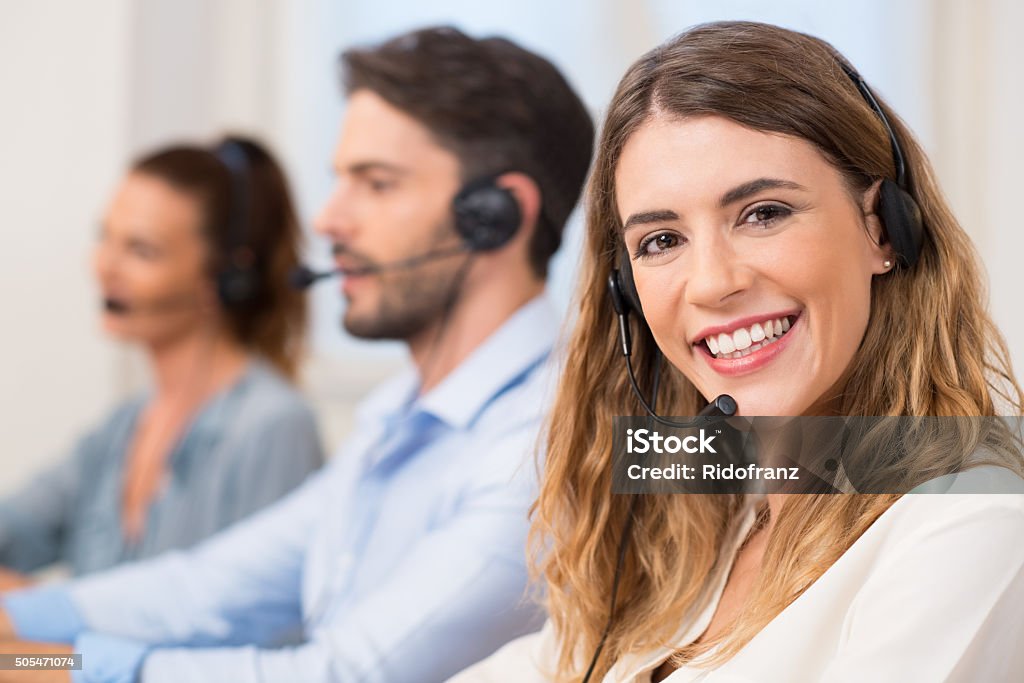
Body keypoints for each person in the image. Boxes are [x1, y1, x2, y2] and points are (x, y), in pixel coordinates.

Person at [0, 26, 594, 683]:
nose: (327, 220)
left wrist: (37, 666)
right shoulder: (395, 418)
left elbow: (341, 673)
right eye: (340, 179)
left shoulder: (548, 444)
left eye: (376, 183)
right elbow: (204, 590)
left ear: (496, 215)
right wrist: (20, 622)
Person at [453, 21, 1024, 683]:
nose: (715, 282)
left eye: (764, 212)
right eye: (662, 241)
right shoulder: (707, 503)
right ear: (626, 292)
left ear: (882, 228)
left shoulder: (973, 517)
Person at [0, 136, 323, 586]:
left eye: (141, 250)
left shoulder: (273, 428)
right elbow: (12, 530)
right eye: (105, 238)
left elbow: (264, 632)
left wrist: (47, 626)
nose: (104, 266)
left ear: (224, 276)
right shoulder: (124, 427)